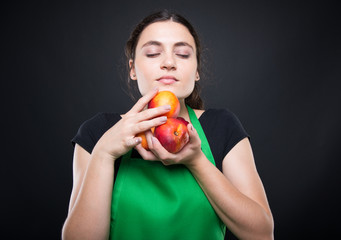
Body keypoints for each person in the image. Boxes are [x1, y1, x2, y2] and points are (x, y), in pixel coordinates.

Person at [62, 10, 274, 240]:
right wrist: (103, 154)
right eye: (153, 53)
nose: (169, 63)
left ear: (197, 72)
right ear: (132, 69)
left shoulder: (222, 126)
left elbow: (262, 234)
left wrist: (196, 161)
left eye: (182, 54)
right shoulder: (98, 132)